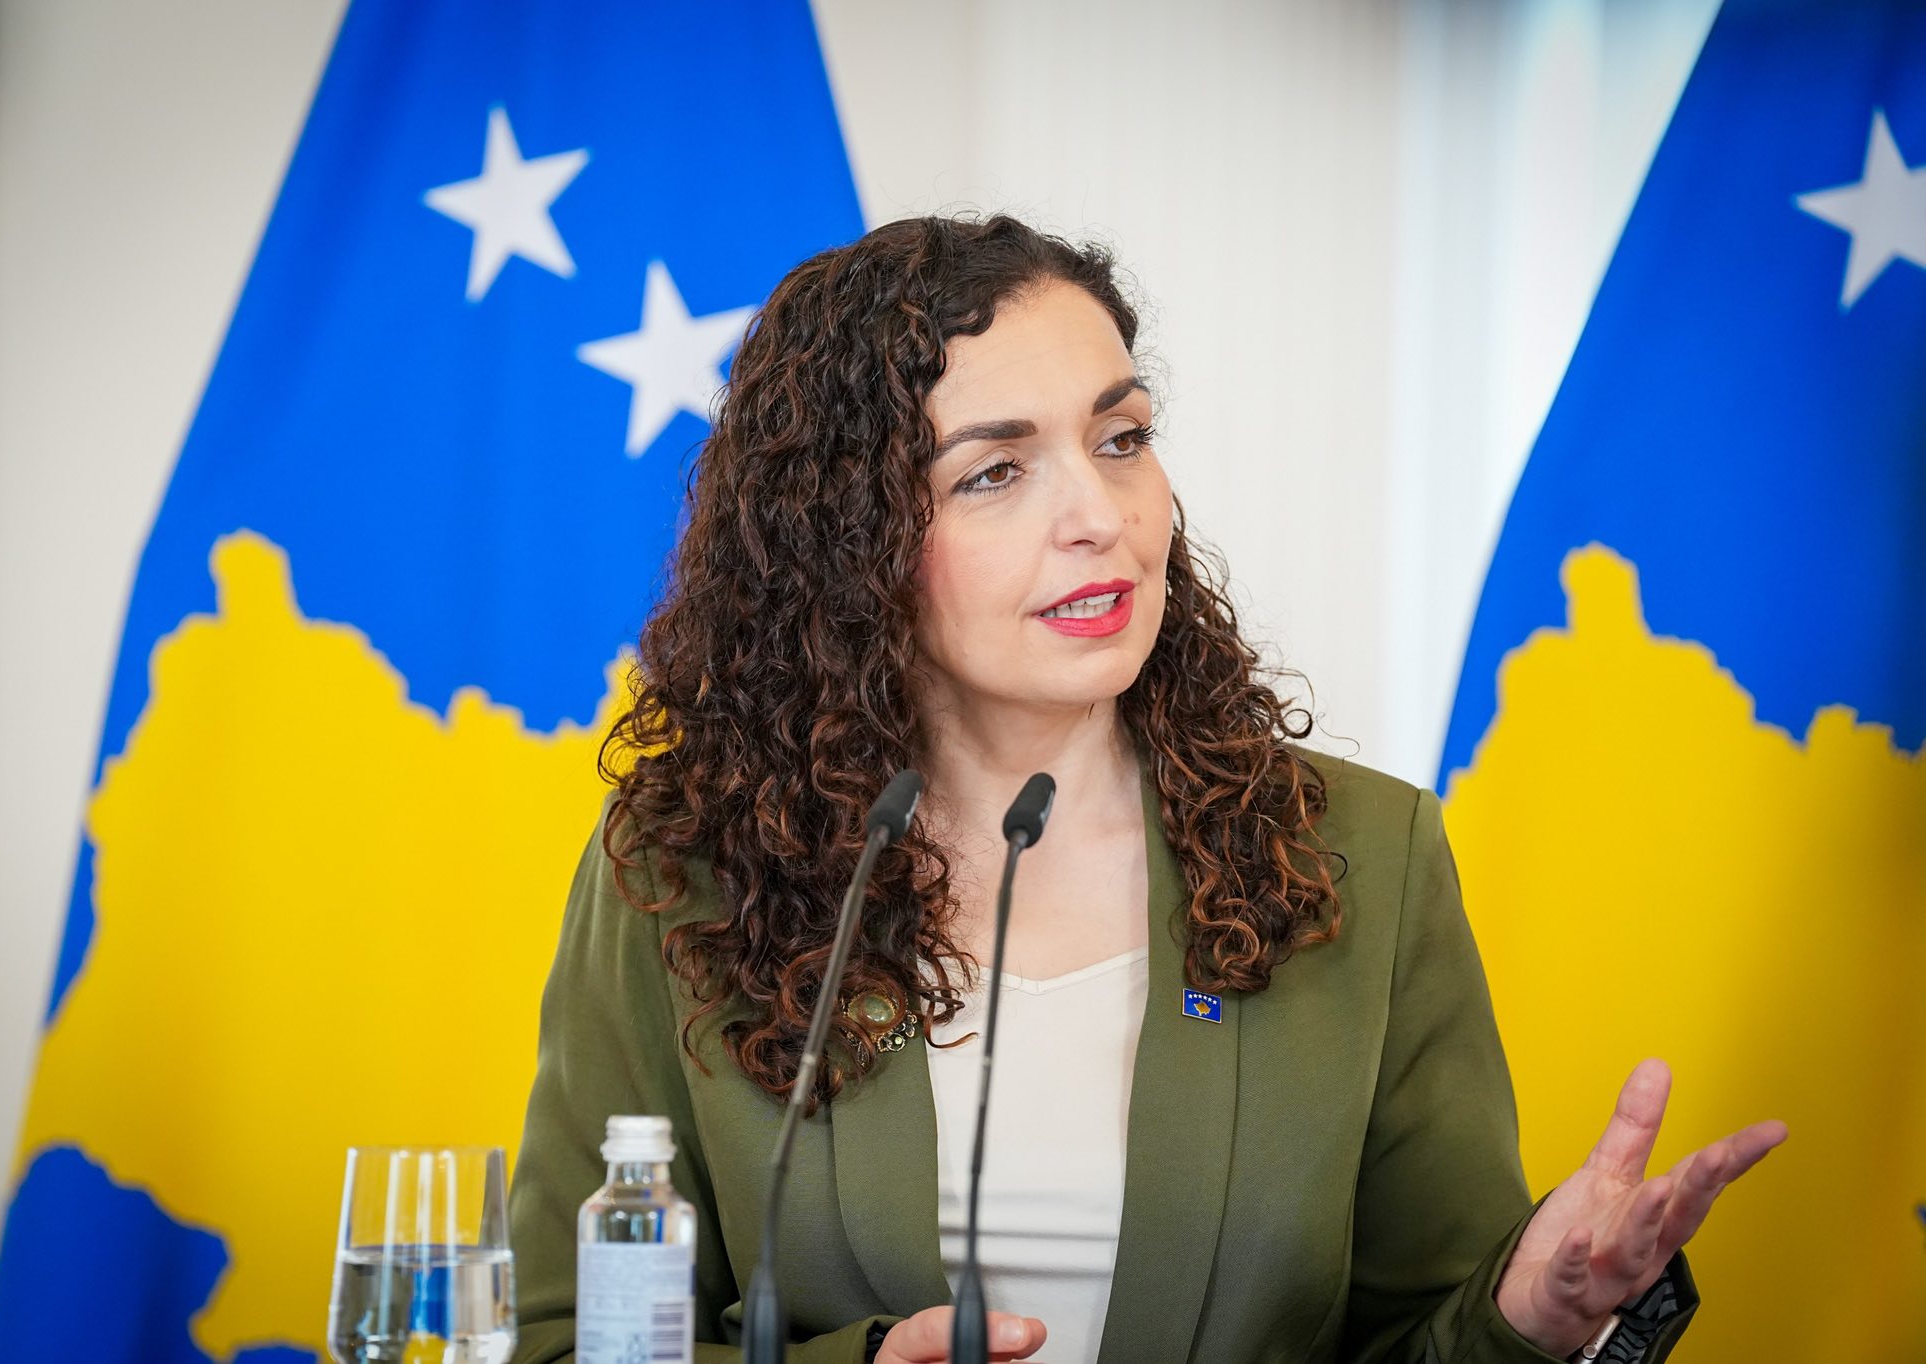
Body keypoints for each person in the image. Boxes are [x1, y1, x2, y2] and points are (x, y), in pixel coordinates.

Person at [507, 215, 1786, 1364]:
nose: (1100, 515)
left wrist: (1529, 1316)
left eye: (1119, 439)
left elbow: (1422, 1333)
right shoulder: (686, 870)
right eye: (994, 471)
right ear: (845, 545)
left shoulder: (1359, 851)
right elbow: (565, 1340)